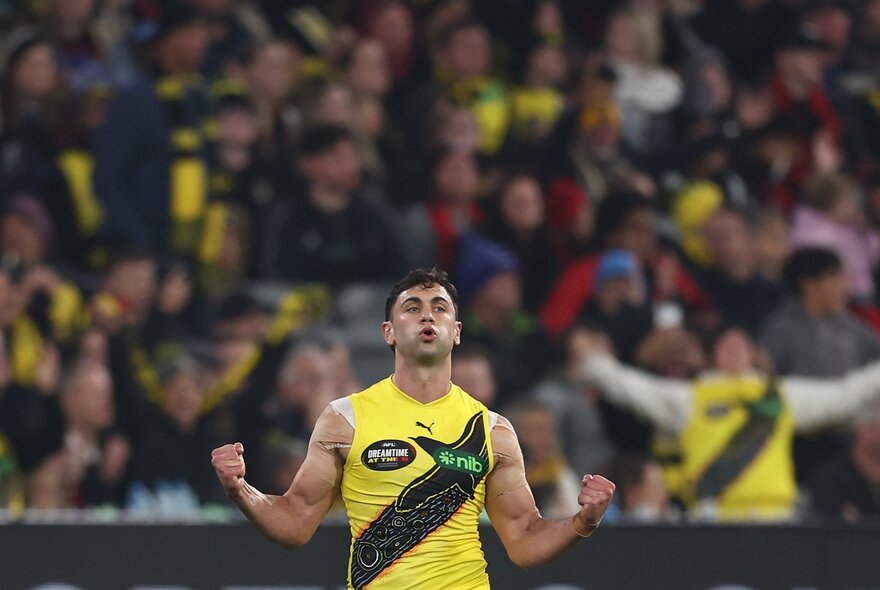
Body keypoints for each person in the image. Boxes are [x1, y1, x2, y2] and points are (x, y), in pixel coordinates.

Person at [212, 267, 615, 589]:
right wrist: (240, 490)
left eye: (440, 307)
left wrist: (583, 521)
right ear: (388, 333)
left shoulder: (492, 431)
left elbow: (525, 537)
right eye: (412, 307)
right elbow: (296, 521)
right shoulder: (346, 420)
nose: (427, 314)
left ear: (456, 333)